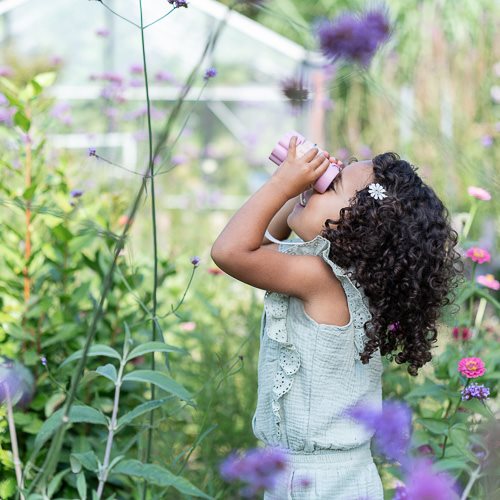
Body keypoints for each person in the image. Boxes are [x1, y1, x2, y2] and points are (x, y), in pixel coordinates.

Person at [211, 136, 462, 499]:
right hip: (339, 477)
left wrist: (282, 184)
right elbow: (261, 246)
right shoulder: (345, 281)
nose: (315, 187)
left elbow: (231, 251)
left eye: (332, 183)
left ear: (358, 226)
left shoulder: (320, 280)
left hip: (314, 485)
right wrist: (300, 190)